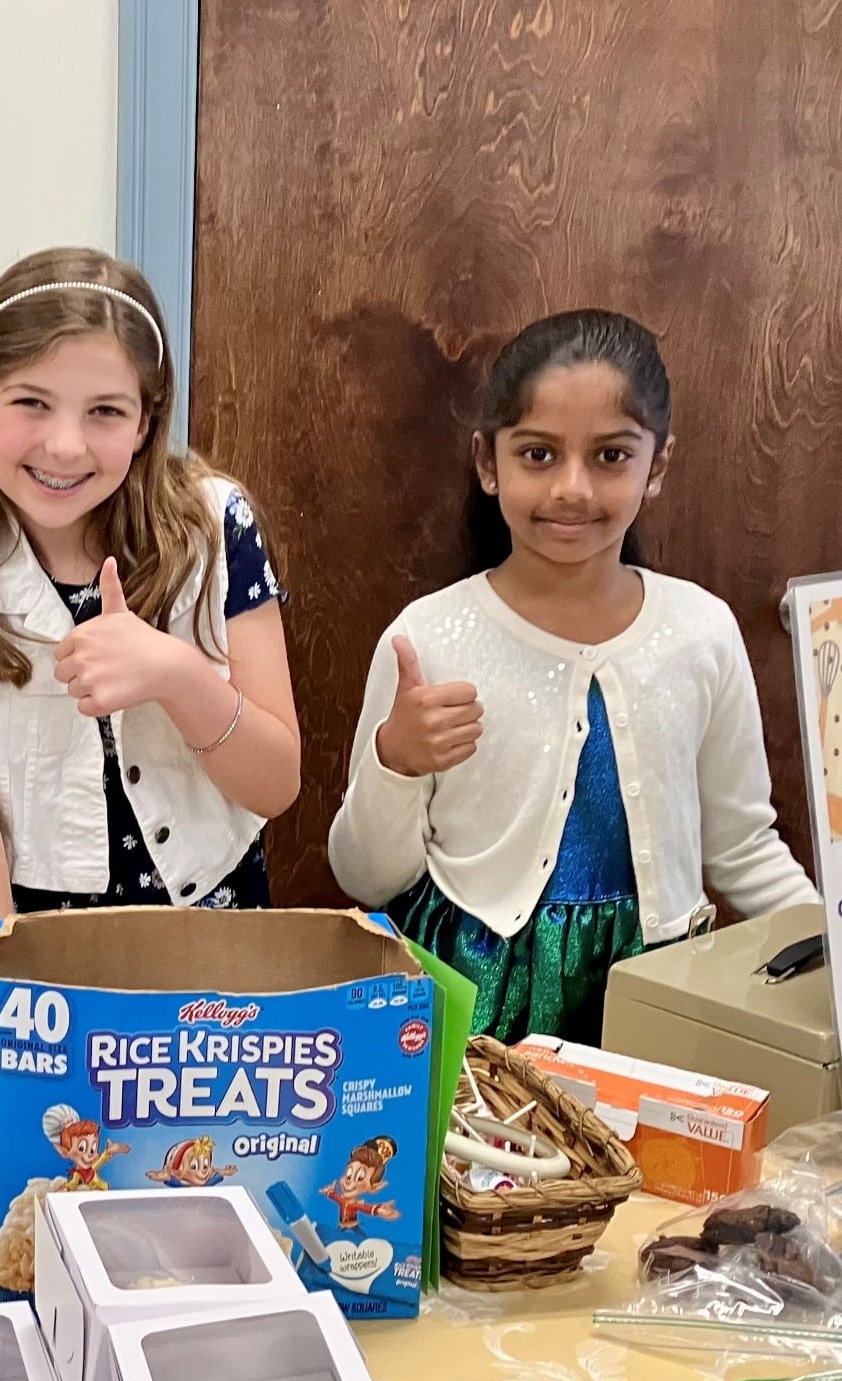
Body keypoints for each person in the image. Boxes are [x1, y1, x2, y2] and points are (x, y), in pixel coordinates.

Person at [328, 309, 817, 1043]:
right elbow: (366, 881)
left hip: (659, 998)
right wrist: (395, 762)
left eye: (612, 456)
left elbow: (742, 845)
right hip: (474, 1000)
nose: (573, 489)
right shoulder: (426, 637)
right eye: (538, 454)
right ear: (488, 463)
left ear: (658, 466)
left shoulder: (701, 631)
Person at [0, 247, 301, 1094]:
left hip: (209, 938)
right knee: (36, 1195)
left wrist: (177, 674)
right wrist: (4, 1020)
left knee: (201, 1182)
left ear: (148, 422)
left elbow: (276, 784)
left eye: (105, 412)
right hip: (34, 949)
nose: (64, 444)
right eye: (31, 403)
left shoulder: (214, 527)